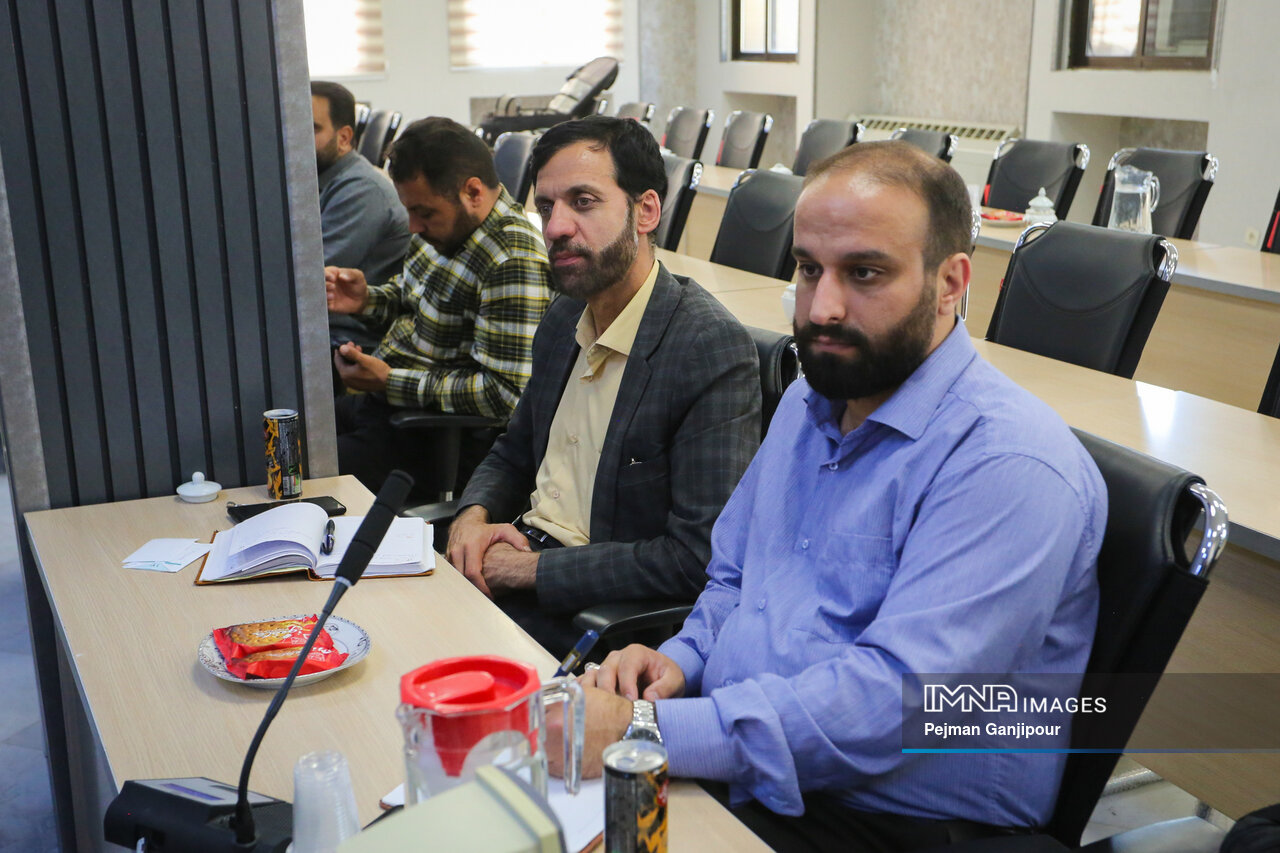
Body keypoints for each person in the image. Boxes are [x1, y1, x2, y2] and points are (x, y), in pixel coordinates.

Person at [559, 140, 1109, 852]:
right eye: (809, 268)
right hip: (754, 763)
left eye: (865, 273)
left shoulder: (1009, 464)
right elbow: (736, 580)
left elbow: (889, 705)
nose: (822, 307)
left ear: (950, 282)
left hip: (894, 824)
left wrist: (648, 729)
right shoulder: (809, 401)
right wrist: (683, 659)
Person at [447, 116, 761, 655]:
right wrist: (471, 519)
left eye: (583, 202)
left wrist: (525, 570)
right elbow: (514, 450)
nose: (555, 227)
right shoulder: (563, 316)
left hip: (593, 619)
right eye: (546, 206)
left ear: (646, 211)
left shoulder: (707, 348)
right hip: (507, 569)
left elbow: (695, 557)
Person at [326, 117, 551, 492]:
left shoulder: (512, 260)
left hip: (430, 438)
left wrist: (390, 381)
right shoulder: (441, 230)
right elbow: (410, 302)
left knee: (295, 470)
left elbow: (504, 395)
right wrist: (366, 301)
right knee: (275, 439)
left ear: (473, 192)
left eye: (424, 212)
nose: (413, 226)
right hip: (385, 410)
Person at [311, 81, 410, 352]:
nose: (295, 140)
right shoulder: (322, 180)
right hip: (327, 330)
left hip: (350, 342)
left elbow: (309, 281)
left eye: (312, 129)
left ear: (343, 138)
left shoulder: (361, 190)